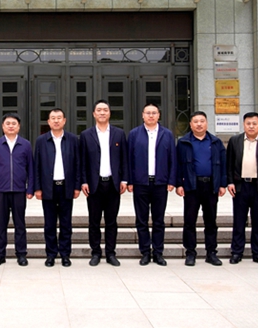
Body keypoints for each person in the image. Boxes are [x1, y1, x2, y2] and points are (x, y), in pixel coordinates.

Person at [80, 100, 128, 267]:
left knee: (111, 221)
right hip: (94, 184)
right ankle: (95, 252)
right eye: (99, 110)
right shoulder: (86, 135)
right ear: (94, 114)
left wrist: (124, 179)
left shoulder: (119, 134)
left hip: (113, 184)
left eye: (105, 110)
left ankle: (110, 253)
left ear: (109, 113)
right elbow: (82, 160)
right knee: (94, 221)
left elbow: (124, 158)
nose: (102, 113)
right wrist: (84, 181)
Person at [175, 111, 227, 267]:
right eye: (196, 121)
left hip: (210, 185)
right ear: (190, 124)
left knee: (210, 221)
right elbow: (177, 165)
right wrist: (179, 184)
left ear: (207, 123)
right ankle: (190, 253)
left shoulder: (216, 142)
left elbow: (223, 164)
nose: (199, 124)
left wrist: (222, 184)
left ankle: (211, 253)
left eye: (202, 121)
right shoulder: (183, 142)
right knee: (189, 221)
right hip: (192, 186)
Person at [128, 103, 176, 266]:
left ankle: (158, 252)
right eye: (148, 113)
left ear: (158, 115)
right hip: (140, 182)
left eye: (154, 113)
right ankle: (145, 252)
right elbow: (129, 159)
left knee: (158, 220)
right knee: (141, 220)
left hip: (160, 183)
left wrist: (171, 180)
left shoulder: (167, 134)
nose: (151, 115)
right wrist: (130, 181)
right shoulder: (134, 134)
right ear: (143, 115)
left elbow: (172, 159)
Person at [227, 112, 258, 266]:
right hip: (240, 186)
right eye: (248, 123)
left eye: (254, 123)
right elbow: (229, 164)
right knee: (239, 221)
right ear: (243, 125)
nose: (251, 126)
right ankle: (237, 252)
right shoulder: (235, 141)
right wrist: (230, 182)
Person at [34, 108, 80, 267]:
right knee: (50, 224)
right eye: (53, 118)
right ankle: (51, 254)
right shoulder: (41, 140)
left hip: (66, 187)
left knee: (66, 224)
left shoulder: (73, 139)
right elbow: (37, 166)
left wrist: (77, 186)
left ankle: (65, 254)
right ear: (48, 121)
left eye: (59, 118)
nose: (56, 120)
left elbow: (77, 164)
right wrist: (38, 188)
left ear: (64, 120)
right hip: (48, 187)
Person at [0, 113, 34, 267]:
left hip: (19, 190)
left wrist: (30, 188)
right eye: (8, 123)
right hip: (1, 191)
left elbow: (31, 168)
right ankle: (0, 254)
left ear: (19, 127)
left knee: (20, 224)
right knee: (1, 224)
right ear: (3, 126)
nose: (11, 126)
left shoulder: (25, 145)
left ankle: (21, 254)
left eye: (14, 123)